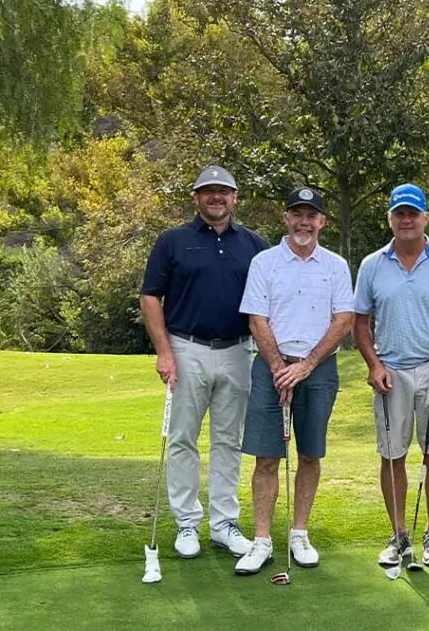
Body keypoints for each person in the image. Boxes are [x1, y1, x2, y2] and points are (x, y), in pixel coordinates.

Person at [139, 164, 269, 560]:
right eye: (208, 191)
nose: (217, 197)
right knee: (183, 439)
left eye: (223, 191)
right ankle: (186, 524)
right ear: (196, 197)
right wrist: (164, 351)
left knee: (229, 440)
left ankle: (224, 524)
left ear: (235, 197)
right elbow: (150, 297)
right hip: (186, 347)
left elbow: (267, 304)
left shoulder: (255, 245)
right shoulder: (173, 241)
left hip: (237, 350)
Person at [233, 187, 354, 575]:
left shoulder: (335, 265)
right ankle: (263, 540)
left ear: (322, 221)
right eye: (297, 214)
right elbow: (257, 318)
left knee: (310, 454)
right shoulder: (265, 263)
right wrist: (277, 366)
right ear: (286, 218)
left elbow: (343, 321)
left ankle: (299, 533)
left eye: (311, 215)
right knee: (267, 456)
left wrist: (305, 367)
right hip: (270, 367)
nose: (304, 222)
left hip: (318, 370)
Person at [352, 183, 429, 568]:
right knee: (393, 457)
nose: (406, 220)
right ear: (390, 218)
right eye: (399, 213)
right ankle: (399, 535)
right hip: (391, 371)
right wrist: (374, 365)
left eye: (412, 213)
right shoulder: (372, 265)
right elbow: (359, 323)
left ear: (425, 218)